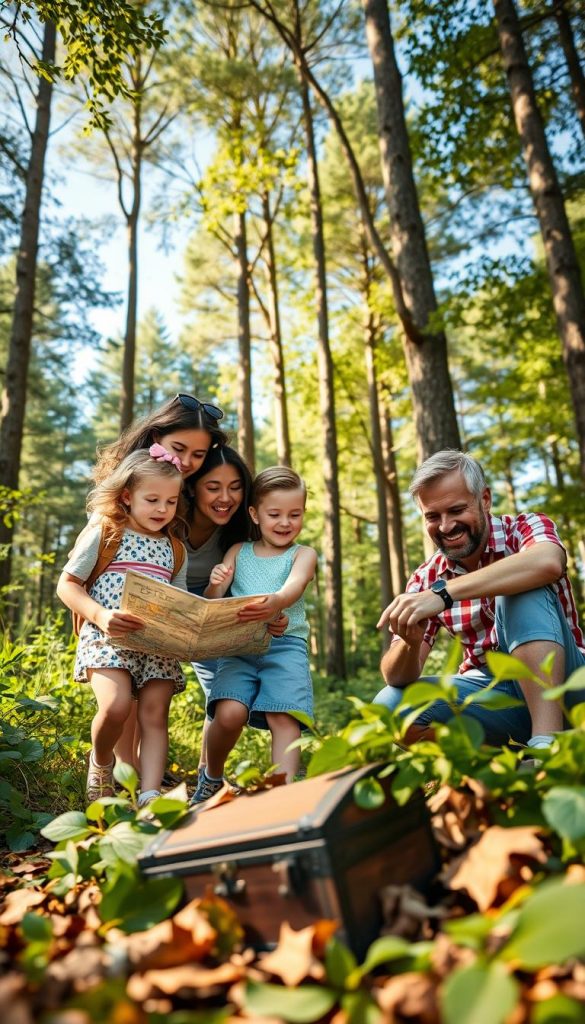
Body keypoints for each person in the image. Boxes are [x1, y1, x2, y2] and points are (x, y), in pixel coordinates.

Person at [374, 449, 585, 749]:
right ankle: (492, 763)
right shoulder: (425, 577)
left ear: (484, 500)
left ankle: (547, 749)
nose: (446, 526)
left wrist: (445, 594)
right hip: (496, 699)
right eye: (433, 516)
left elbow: (548, 563)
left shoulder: (523, 529)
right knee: (390, 707)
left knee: (518, 584)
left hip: (569, 684)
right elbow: (396, 676)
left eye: (457, 510)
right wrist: (409, 642)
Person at [57, 446, 188, 805]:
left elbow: (181, 601)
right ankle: (101, 761)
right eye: (153, 499)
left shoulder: (174, 548)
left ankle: (147, 793)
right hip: (106, 637)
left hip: (157, 644)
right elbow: (67, 585)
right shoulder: (106, 531)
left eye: (171, 501)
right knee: (115, 707)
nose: (163, 509)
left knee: (155, 715)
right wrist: (100, 616)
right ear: (127, 496)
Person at [192, 466, 317, 803]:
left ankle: (284, 793)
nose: (285, 522)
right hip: (240, 647)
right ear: (255, 514)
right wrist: (217, 584)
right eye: (274, 514)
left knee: (284, 714)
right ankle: (211, 777)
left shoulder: (302, 554)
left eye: (295, 514)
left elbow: (294, 587)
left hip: (285, 646)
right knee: (229, 713)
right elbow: (214, 602)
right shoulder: (238, 552)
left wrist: (275, 604)